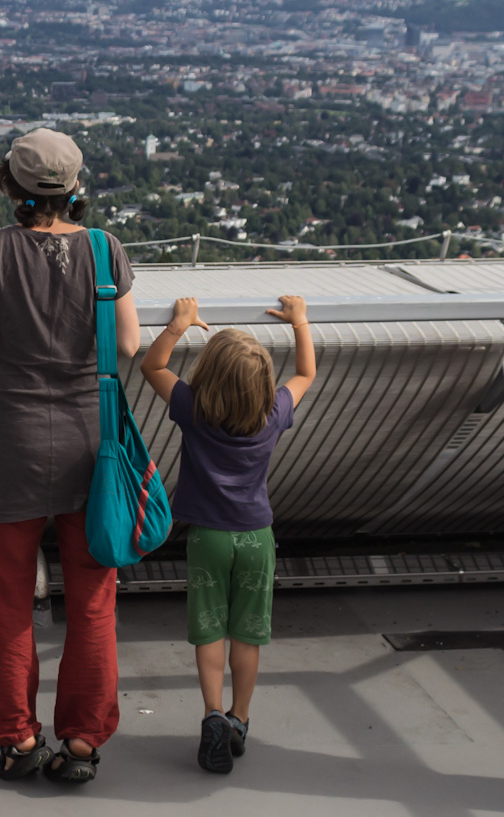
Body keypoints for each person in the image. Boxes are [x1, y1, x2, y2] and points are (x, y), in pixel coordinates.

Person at [0, 128, 140, 785]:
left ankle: (17, 737)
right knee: (94, 602)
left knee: (9, 603)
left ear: (10, 185)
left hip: (13, 444)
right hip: (91, 449)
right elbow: (128, 343)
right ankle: (84, 740)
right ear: (74, 188)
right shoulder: (106, 250)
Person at [140, 294, 315, 774]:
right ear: (263, 383)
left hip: (208, 539)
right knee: (247, 634)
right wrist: (300, 322)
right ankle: (239, 719)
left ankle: (213, 712)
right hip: (257, 538)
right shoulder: (272, 413)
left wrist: (179, 324)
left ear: (208, 375)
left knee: (210, 630)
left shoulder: (193, 408)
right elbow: (305, 375)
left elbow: (152, 367)